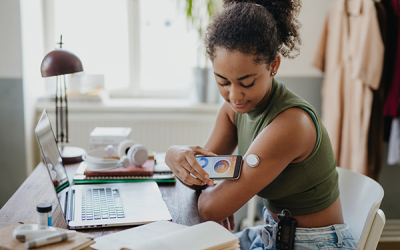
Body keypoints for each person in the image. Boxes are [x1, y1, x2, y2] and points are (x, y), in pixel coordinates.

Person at [165, 0, 359, 249]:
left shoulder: (290, 125)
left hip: (314, 243)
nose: (234, 96)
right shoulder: (233, 112)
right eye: (223, 82)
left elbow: (211, 207)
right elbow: (202, 175)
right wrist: (174, 154)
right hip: (272, 232)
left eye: (246, 83)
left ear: (273, 65)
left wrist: (211, 190)